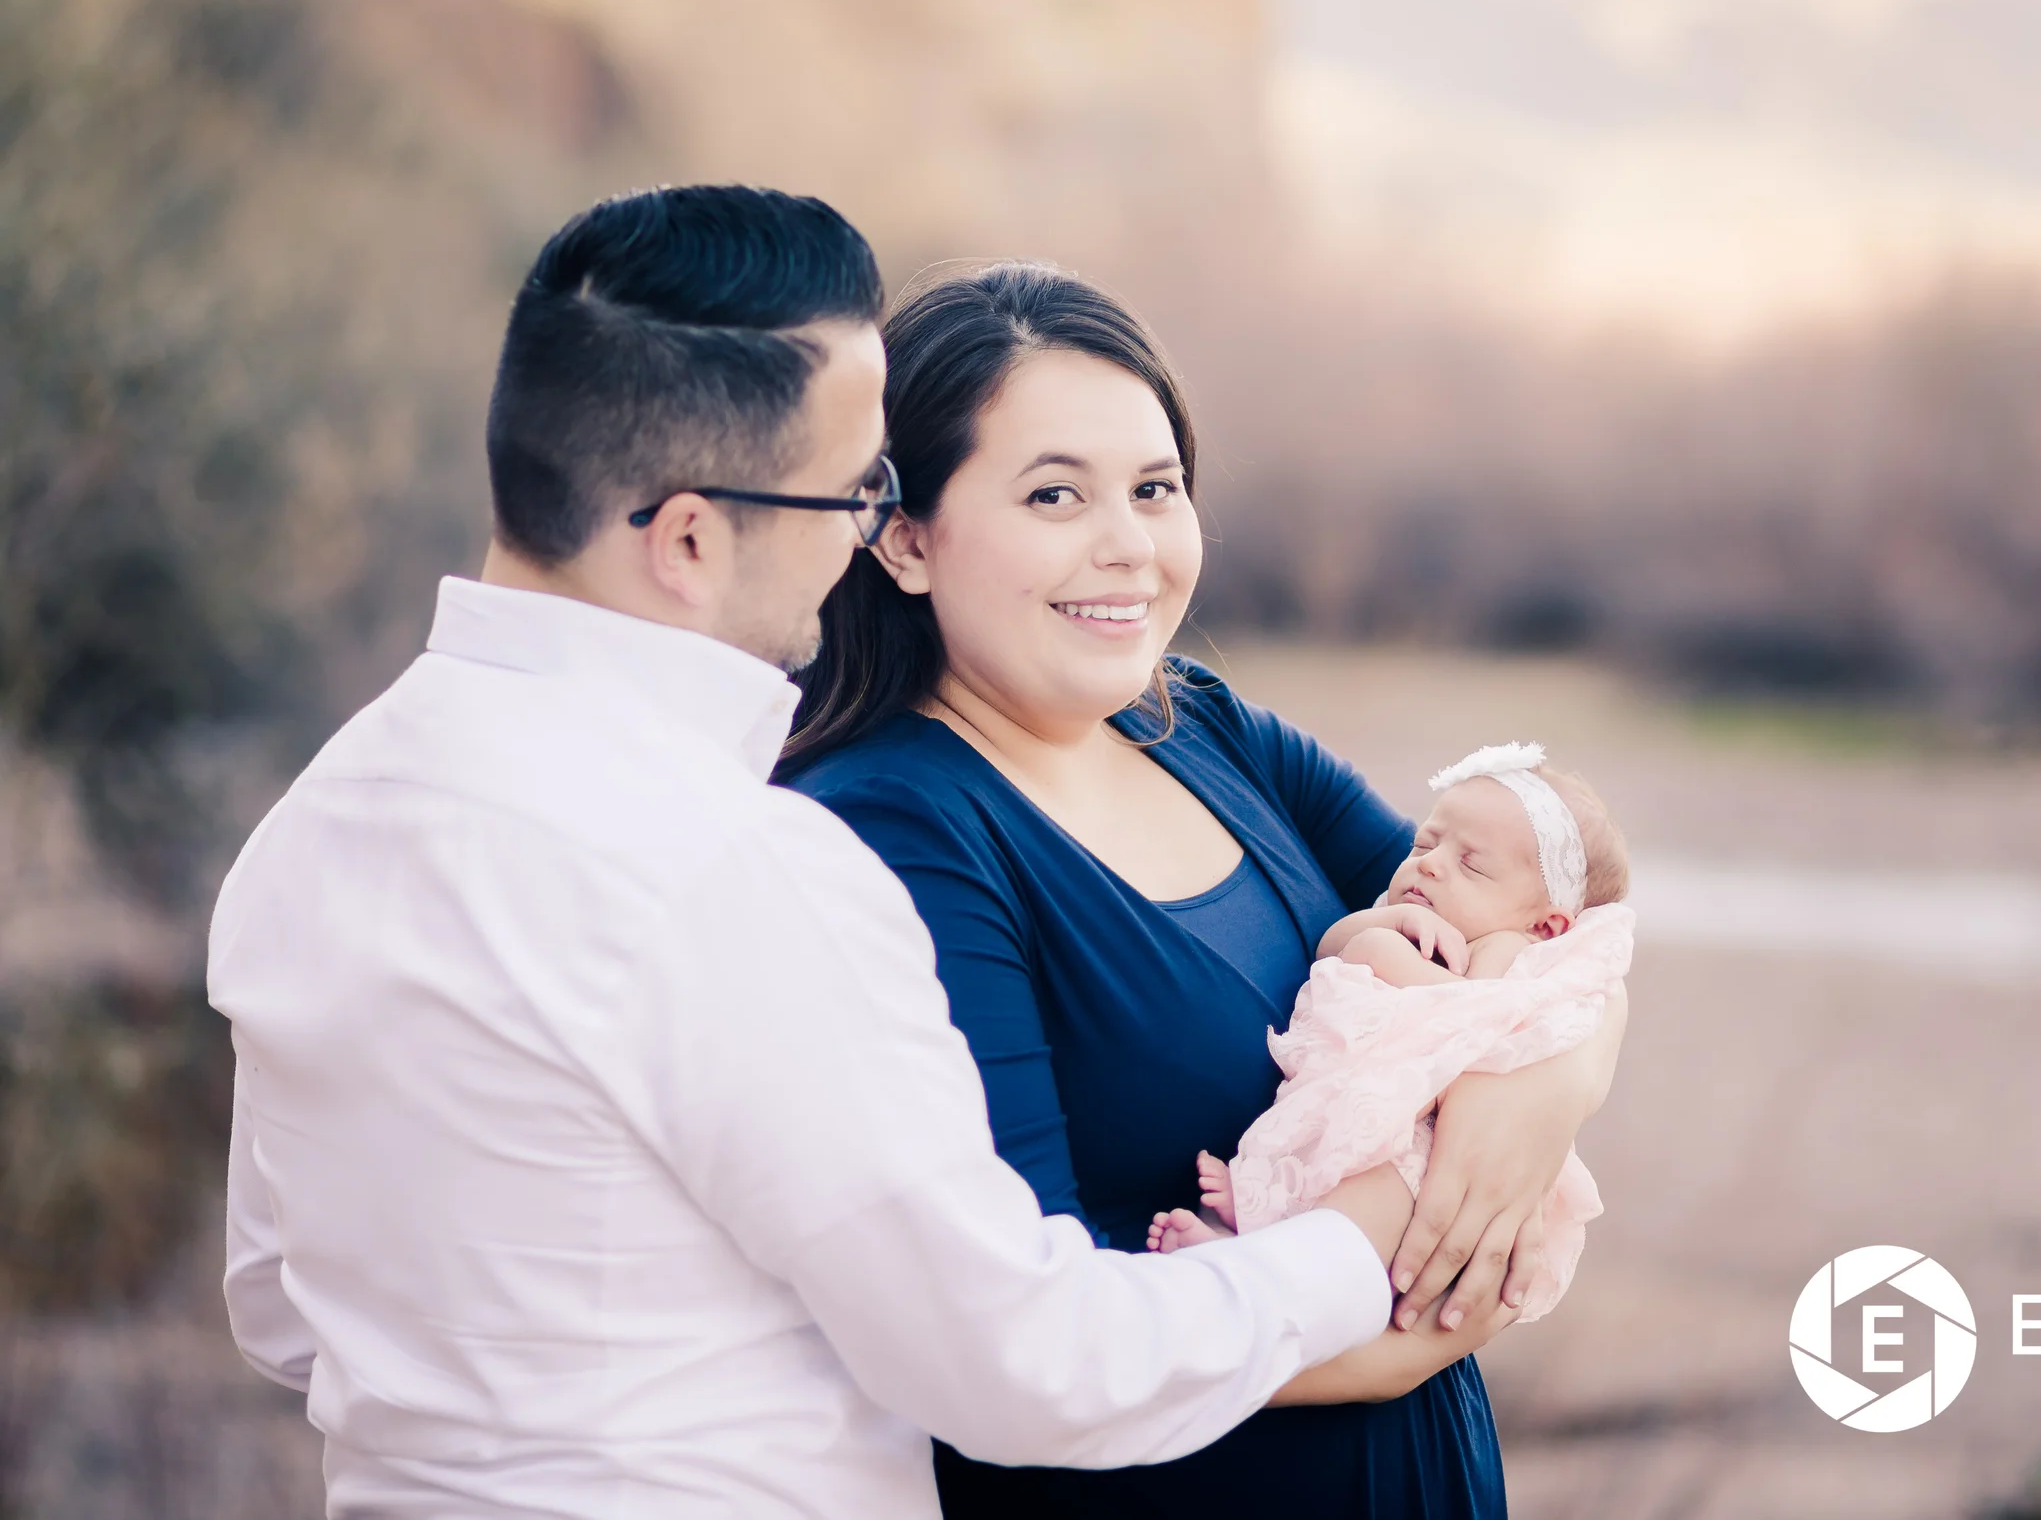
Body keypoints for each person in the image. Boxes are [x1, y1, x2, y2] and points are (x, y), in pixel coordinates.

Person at [207, 186, 1412, 1520]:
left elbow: (284, 1312)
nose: (865, 535)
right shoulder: (738, 866)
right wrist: (1352, 1246)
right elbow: (1031, 1363)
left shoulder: (315, 825)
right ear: (688, 537)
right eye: (855, 490)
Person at [779, 263, 1630, 1518]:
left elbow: (1560, 925)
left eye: (1155, 487)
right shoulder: (890, 829)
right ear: (904, 537)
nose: (1128, 543)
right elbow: (1026, 1337)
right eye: (1055, 493)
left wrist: (1541, 1085)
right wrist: (1408, 1334)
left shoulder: (1201, 727)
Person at [1148, 742, 1636, 1328]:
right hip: (1351, 1096)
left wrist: (1383, 952)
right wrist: (1385, 923)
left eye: (1473, 866)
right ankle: (1257, 1213)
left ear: (1545, 925)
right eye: (1425, 844)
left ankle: (1253, 1272)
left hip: (1421, 1136)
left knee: (1369, 1205)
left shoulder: (1507, 948)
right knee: (1298, 1150)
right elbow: (1331, 948)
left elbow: (1472, 1015)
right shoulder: (1412, 912)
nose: (1430, 864)